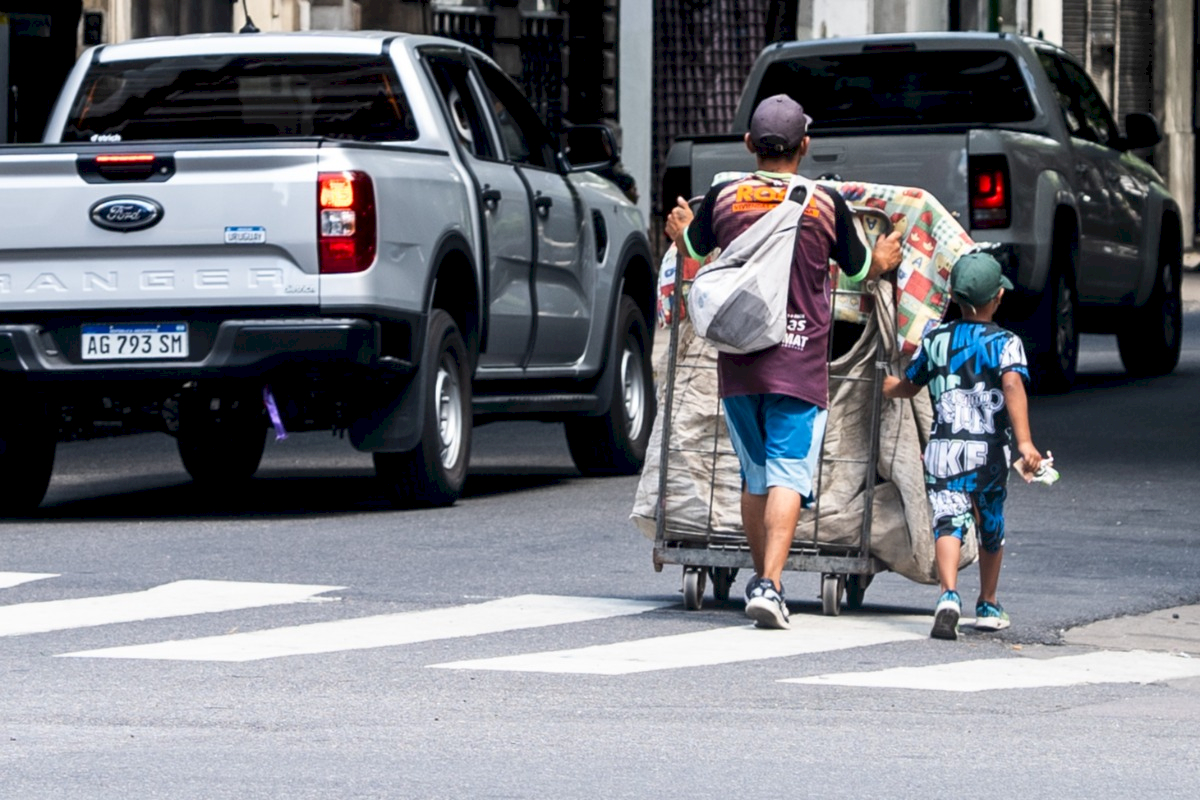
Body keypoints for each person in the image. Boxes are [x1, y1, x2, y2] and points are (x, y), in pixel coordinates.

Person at [664, 94, 903, 629]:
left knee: (755, 477)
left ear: (749, 145)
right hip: (798, 359)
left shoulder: (723, 197)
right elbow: (861, 267)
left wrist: (683, 231)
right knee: (788, 475)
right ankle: (770, 584)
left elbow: (698, 258)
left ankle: (760, 576)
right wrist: (883, 259)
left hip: (738, 359)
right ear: (806, 147)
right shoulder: (824, 203)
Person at [882, 252, 1044, 640]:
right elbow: (1012, 386)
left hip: (942, 452)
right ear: (998, 298)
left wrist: (894, 389)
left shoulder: (935, 339)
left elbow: (912, 382)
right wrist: (1024, 442)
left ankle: (948, 594)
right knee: (991, 524)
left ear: (952, 295)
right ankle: (987, 602)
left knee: (949, 523)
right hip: (988, 452)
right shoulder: (1007, 343)